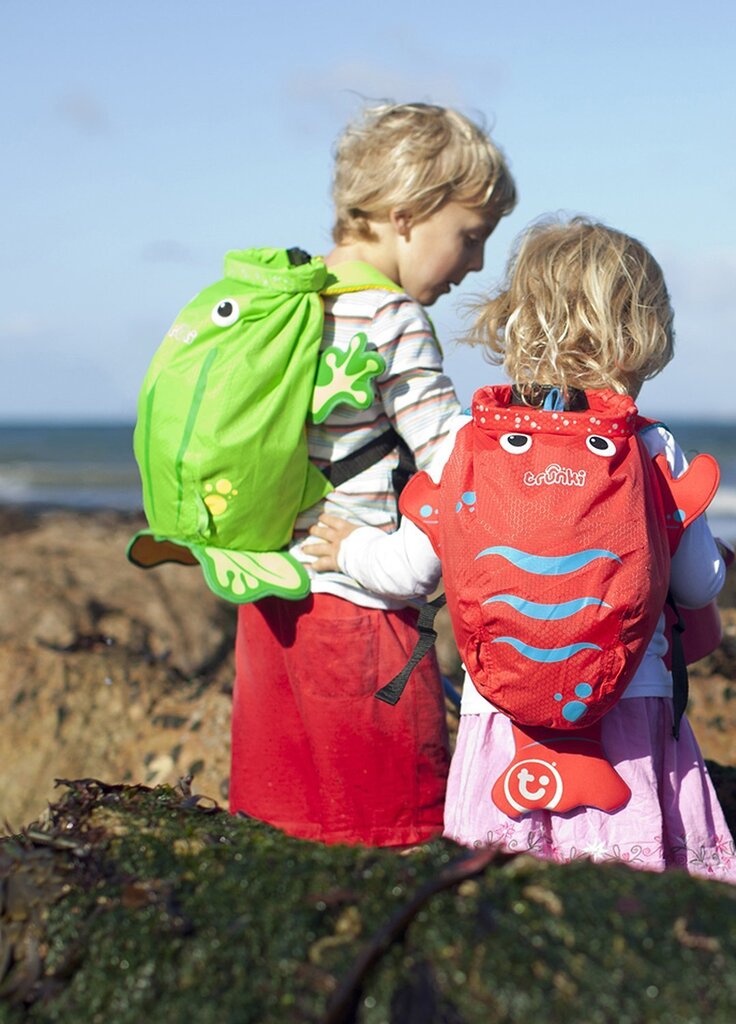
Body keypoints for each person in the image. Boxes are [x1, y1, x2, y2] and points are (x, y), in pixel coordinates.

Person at [304, 218, 736, 879]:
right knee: (640, 899)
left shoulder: (468, 448)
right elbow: (698, 586)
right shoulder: (651, 448)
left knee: (497, 895)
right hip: (633, 707)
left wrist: (348, 553)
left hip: (501, 723)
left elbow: (408, 575)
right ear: (643, 337)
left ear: (517, 323)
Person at [228, 103, 516, 846]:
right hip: (360, 614)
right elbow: (453, 459)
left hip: (265, 598)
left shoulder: (283, 305)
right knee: (394, 834)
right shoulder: (389, 319)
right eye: (471, 236)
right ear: (407, 214)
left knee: (280, 834)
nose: (477, 264)